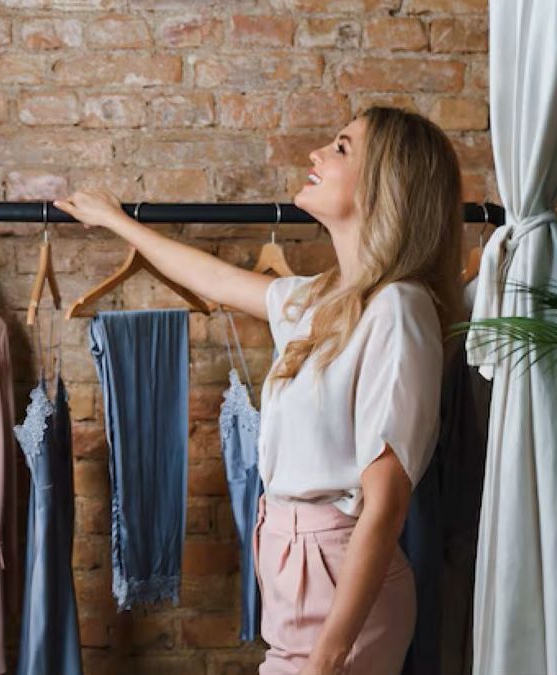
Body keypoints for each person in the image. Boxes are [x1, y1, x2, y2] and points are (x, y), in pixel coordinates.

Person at [53, 105, 464, 675]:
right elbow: (213, 280)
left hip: (339, 579)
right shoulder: (320, 298)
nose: (317, 154)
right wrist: (119, 223)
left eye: (341, 148)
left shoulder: (398, 308)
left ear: (384, 186)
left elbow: (387, 504)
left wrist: (329, 655)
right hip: (293, 565)